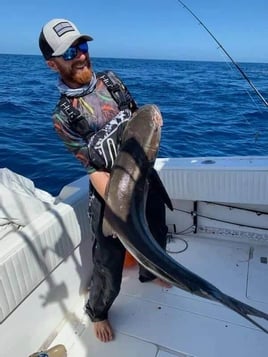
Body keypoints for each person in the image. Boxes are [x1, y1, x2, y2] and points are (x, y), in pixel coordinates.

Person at [39, 18, 171, 343]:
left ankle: (148, 272)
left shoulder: (111, 81)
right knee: (109, 260)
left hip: (143, 177)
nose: (80, 55)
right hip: (108, 191)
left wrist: (153, 120)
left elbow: (137, 119)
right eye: (69, 52)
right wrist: (119, 211)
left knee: (157, 226)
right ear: (52, 63)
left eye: (82, 46)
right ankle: (98, 310)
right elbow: (91, 167)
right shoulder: (64, 116)